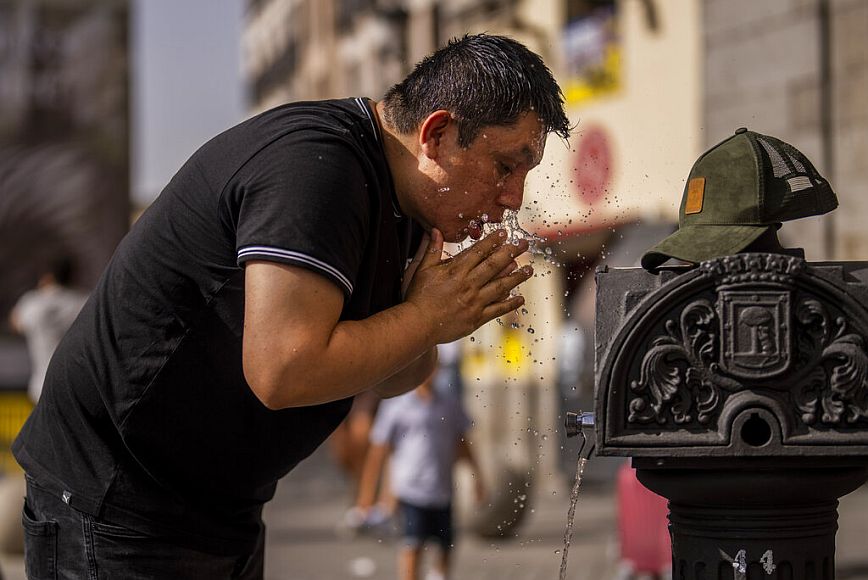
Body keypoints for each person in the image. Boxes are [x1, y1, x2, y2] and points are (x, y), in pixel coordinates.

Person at [12, 33, 571, 578]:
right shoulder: (319, 167)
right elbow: (283, 369)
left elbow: (393, 378)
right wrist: (426, 317)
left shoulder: (410, 208)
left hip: (216, 506)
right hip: (117, 498)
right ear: (439, 134)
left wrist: (432, 320)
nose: (513, 198)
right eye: (505, 167)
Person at [355, 375, 484, 580]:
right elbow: (378, 453)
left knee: (445, 545)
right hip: (409, 489)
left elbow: (463, 443)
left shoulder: (449, 403)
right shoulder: (396, 406)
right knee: (412, 545)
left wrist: (478, 478)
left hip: (442, 488)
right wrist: (366, 497)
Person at [9, 257, 88, 404]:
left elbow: (14, 322)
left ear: (47, 277)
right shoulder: (85, 302)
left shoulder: (33, 303)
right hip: (79, 389)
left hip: (42, 387)